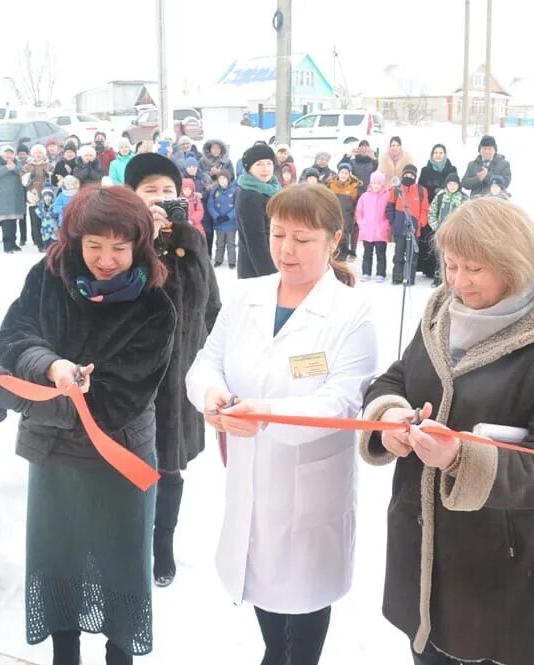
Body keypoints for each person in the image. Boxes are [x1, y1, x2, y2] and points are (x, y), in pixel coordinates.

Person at [359, 197, 534, 665]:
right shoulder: (441, 311)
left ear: (515, 266)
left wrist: (458, 458)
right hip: (426, 556)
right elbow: (397, 378)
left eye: (474, 268)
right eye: (450, 265)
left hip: (507, 571)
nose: (457, 281)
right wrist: (389, 416)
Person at [0, 185, 177, 665]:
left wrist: (18, 397)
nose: (105, 259)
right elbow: (11, 336)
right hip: (53, 457)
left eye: (119, 248)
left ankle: (118, 654)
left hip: (119, 458)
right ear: (74, 240)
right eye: (93, 246)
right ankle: (63, 654)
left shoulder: (154, 309)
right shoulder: (49, 277)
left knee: (120, 565)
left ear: (140, 246)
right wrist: (50, 367)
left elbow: (118, 402)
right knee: (57, 560)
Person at [186, 184, 378, 665]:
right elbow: (206, 364)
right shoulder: (246, 296)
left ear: (334, 241)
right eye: (278, 235)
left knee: (304, 607)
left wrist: (265, 418)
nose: (286, 250)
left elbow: (340, 402)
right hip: (249, 475)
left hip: (310, 490)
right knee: (266, 603)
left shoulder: (352, 313)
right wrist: (212, 396)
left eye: (303, 238)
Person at [124, 153, 221, 587]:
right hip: (134, 377)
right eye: (150, 191)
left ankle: (163, 545)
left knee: (169, 467)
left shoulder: (192, 239)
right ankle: (129, 541)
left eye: (168, 190)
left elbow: (211, 303)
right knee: (127, 464)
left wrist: (181, 238)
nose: (161, 198)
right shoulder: (121, 238)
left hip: (181, 373)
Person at [236, 144, 282, 279]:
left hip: (275, 261)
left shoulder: (273, 189)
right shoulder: (250, 197)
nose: (265, 169)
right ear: (248, 168)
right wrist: (271, 278)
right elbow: (256, 244)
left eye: (269, 163)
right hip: (258, 272)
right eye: (259, 164)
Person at [387, 164, 429, 285]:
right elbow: (389, 207)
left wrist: (420, 223)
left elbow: (425, 209)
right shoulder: (396, 189)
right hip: (399, 227)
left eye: (411, 175)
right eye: (406, 174)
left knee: (412, 256)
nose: (408, 177)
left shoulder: (421, 190)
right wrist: (393, 221)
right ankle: (397, 277)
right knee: (398, 255)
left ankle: (409, 278)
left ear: (415, 176)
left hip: (414, 228)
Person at [427, 173, 468, 286]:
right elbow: (432, 212)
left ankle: (453, 279)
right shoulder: (440, 196)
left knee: (454, 257)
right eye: (450, 184)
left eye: (455, 184)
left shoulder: (464, 198)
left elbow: (468, 216)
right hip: (442, 232)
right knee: (440, 256)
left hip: (457, 234)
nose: (452, 186)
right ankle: (438, 277)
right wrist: (436, 227)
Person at [0, 145, 27, 253]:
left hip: (15, 197)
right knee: (6, 223)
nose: (9, 155)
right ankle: (7, 245)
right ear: (2, 154)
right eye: (6, 153)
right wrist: (6, 168)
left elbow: (23, 173)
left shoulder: (17, 163)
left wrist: (14, 168)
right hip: (3, 198)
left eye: (11, 153)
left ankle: (13, 243)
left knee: (13, 221)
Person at [356, 171, 391, 282]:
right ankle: (366, 272)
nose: (376, 186)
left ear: (382, 184)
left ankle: (381, 273)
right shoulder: (364, 196)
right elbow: (359, 212)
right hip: (367, 230)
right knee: (367, 253)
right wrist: (362, 223)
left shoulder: (387, 196)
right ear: (370, 184)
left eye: (378, 183)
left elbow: (389, 212)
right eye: (374, 183)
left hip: (381, 231)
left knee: (381, 254)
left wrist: (385, 225)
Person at [328, 162, 362, 261]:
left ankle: (342, 261)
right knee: (332, 238)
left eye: (346, 173)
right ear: (338, 173)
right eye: (342, 172)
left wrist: (355, 217)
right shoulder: (331, 185)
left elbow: (356, 203)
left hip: (346, 218)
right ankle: (331, 260)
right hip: (332, 217)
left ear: (349, 175)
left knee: (344, 239)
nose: (343, 175)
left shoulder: (353, 187)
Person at [24, 145, 55, 251]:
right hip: (33, 195)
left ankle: (47, 241)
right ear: (32, 154)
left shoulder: (48, 165)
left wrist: (49, 176)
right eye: (36, 153)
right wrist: (29, 177)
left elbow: (54, 178)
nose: (38, 155)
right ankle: (38, 243)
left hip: (46, 196)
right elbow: (23, 181)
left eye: (40, 153)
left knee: (46, 220)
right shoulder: (28, 166)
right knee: (35, 220)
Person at [206, 172, 238, 269]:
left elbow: (237, 206)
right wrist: (216, 216)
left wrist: (229, 216)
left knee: (230, 243)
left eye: (224, 178)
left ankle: (232, 261)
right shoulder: (214, 191)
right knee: (219, 242)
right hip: (219, 222)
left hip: (230, 223)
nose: (222, 181)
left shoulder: (235, 190)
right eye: (220, 179)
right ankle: (218, 260)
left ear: (228, 179)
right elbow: (210, 205)